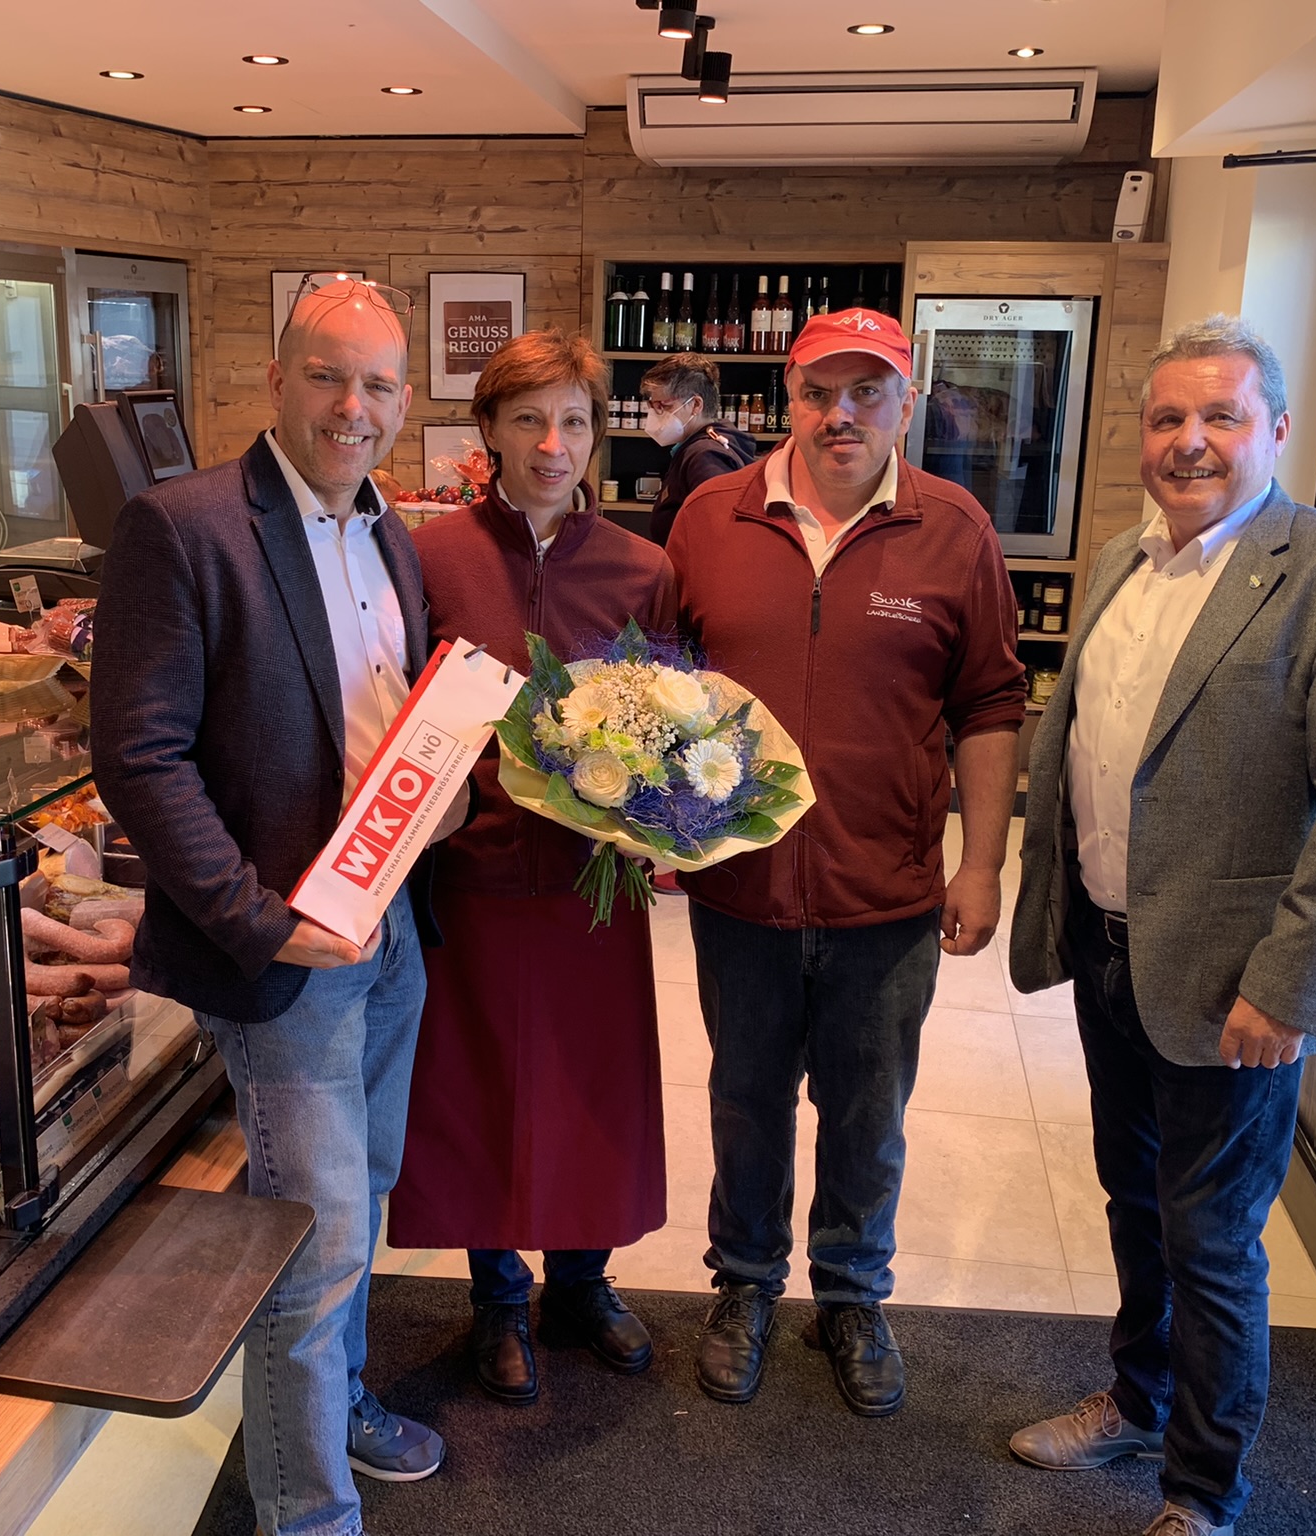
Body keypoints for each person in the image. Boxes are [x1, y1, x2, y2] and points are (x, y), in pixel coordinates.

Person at [1007, 315, 1316, 1536]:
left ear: (1275, 430)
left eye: (1220, 417)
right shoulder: (1114, 564)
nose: (1188, 443)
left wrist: (1291, 988)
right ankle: (1137, 1401)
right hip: (1108, 947)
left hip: (1235, 982)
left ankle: (1203, 1490)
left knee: (1210, 1240)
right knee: (1131, 1203)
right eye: (1166, 420)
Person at [91, 275, 447, 1536]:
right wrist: (256, 919)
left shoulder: (385, 532)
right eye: (328, 377)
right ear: (276, 381)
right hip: (286, 962)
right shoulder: (182, 524)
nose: (353, 407)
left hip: (390, 932)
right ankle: (307, 1514)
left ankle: (337, 1407)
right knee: (311, 1246)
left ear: (404, 404)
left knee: (366, 1199)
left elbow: (384, 725)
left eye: (378, 386)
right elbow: (137, 756)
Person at [665, 308, 1028, 1416]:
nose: (842, 414)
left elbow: (989, 703)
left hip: (886, 896)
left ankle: (853, 1294)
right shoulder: (707, 519)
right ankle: (743, 1285)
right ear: (786, 397)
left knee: (868, 1110)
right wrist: (653, 827)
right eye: (821, 390)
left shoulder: (954, 530)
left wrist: (979, 866)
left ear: (904, 405)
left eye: (867, 392)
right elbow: (657, 689)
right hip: (740, 890)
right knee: (744, 1099)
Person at [390, 328, 674, 1405]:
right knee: (476, 1097)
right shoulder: (430, 559)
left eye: (574, 421)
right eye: (527, 420)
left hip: (589, 893)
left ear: (599, 434)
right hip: (470, 880)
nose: (553, 445)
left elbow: (669, 726)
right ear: (489, 434)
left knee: (586, 1094)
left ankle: (581, 1285)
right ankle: (496, 1298)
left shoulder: (643, 568)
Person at [641, 354, 756, 546]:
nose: (655, 414)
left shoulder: (705, 457)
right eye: (652, 406)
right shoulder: (698, 447)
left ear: (695, 405)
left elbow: (719, 536)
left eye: (663, 406)